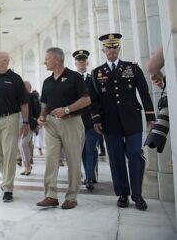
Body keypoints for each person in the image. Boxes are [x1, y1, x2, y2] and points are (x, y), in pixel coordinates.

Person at [90, 33, 156, 211]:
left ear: (119, 48)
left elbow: (143, 92)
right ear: (103, 50)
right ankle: (122, 194)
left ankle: (137, 194)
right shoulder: (97, 73)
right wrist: (96, 119)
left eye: (115, 47)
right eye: (108, 48)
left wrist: (150, 117)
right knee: (116, 159)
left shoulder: (132, 68)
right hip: (109, 123)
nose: (112, 50)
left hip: (132, 120)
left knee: (135, 154)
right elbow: (94, 100)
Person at [36, 47, 90, 210]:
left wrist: (67, 109)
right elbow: (44, 102)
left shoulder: (74, 77)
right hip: (51, 125)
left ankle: (71, 197)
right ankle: (51, 195)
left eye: (47, 59)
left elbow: (86, 100)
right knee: (51, 160)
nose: (44, 61)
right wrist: (41, 116)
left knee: (73, 161)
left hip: (71, 122)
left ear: (57, 60)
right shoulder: (47, 81)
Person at [0, 51, 29, 202]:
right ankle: (6, 176)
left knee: (9, 153)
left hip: (11, 118)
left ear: (5, 61)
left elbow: (24, 103)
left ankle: (8, 188)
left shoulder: (15, 79)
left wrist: (25, 122)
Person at [72, 50, 99, 192]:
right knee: (82, 150)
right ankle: (89, 174)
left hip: (91, 120)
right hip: (76, 121)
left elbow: (97, 99)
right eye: (79, 61)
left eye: (84, 61)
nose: (81, 63)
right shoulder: (72, 79)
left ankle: (89, 177)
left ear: (87, 63)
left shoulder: (93, 78)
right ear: (75, 63)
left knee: (90, 148)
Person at [20, 81, 40, 176]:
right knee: (21, 145)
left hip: (29, 123)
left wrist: (37, 124)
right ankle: (26, 166)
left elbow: (37, 110)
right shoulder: (18, 96)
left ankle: (27, 165)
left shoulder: (32, 97)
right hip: (19, 123)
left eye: (27, 87)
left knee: (23, 143)